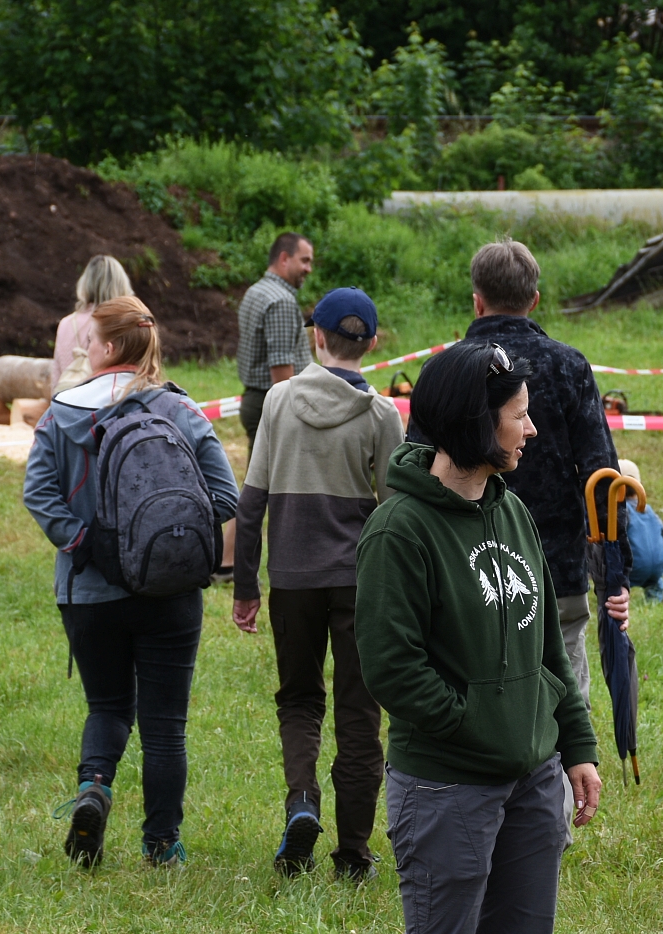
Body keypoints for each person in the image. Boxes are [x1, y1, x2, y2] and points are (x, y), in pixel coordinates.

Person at [355, 340, 602, 934]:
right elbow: (391, 668)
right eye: (517, 416)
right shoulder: (401, 529)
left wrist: (574, 744)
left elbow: (546, 649)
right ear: (473, 422)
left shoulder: (513, 510)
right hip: (445, 785)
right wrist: (477, 724)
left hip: (531, 779)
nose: (530, 430)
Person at [23, 297, 239, 868]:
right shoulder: (180, 409)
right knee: (165, 727)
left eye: (91, 341)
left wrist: (87, 542)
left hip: (89, 592)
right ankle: (162, 843)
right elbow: (225, 496)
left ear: (111, 347)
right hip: (169, 591)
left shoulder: (62, 412)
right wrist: (171, 539)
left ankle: (94, 788)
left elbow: (38, 492)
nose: (85, 349)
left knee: (107, 706)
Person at [232, 287, 402, 881]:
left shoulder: (278, 401)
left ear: (316, 336)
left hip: (293, 581)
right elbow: (395, 512)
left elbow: (250, 504)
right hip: (360, 585)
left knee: (300, 700)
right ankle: (353, 852)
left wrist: (245, 588)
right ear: (371, 344)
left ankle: (302, 802)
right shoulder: (382, 415)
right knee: (360, 713)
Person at [458, 239, 628, 702]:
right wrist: (615, 573)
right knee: (564, 699)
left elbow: (420, 470)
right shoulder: (569, 365)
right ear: (534, 300)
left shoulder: (446, 370)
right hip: (558, 569)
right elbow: (602, 476)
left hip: (465, 571)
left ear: (477, 301)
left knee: (481, 694)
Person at [235, 232, 313, 451]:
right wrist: (291, 416)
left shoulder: (256, 291)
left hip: (257, 401)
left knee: (259, 473)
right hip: (275, 406)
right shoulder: (281, 301)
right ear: (284, 258)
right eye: (304, 261)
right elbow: (281, 370)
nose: (309, 269)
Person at [52, 255, 134, 395]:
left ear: (85, 284)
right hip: (108, 403)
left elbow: (56, 378)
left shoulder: (66, 324)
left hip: (68, 401)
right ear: (121, 284)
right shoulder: (125, 323)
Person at [617, 459, 663, 601]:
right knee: (655, 581)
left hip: (633, 570)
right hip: (658, 566)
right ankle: (655, 599)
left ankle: (617, 597)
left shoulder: (621, 512)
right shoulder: (648, 509)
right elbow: (662, 531)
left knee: (613, 574)